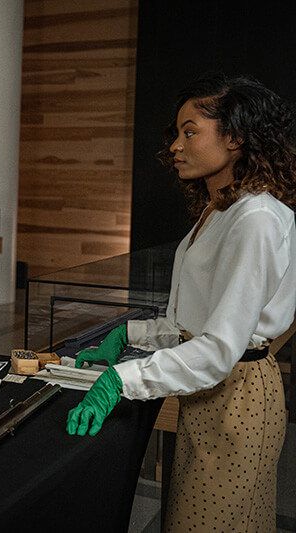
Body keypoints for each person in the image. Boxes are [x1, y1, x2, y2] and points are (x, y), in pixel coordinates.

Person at [67, 72, 295, 531]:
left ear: (235, 138)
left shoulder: (255, 219)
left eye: (190, 132)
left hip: (237, 397)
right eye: (176, 133)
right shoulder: (220, 210)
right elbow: (195, 322)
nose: (175, 145)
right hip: (212, 393)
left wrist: (121, 379)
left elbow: (220, 349)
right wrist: (128, 333)